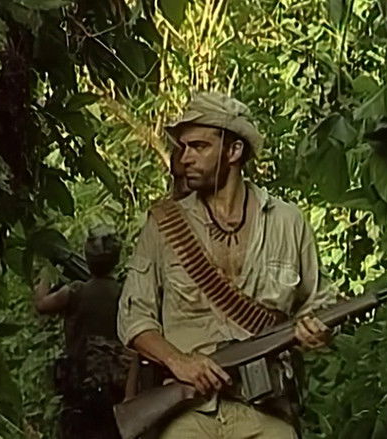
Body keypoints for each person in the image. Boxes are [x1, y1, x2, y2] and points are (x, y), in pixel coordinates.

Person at [117, 91, 336, 438]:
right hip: (189, 406)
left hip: (264, 406)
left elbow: (318, 304)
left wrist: (315, 332)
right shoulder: (164, 225)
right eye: (183, 147)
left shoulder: (286, 222)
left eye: (199, 147)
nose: (185, 158)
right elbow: (134, 318)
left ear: (234, 151)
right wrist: (179, 362)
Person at [34, 227, 130, 439]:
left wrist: (47, 272)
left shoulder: (75, 291)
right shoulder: (124, 293)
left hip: (79, 385)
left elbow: (41, 304)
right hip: (116, 386)